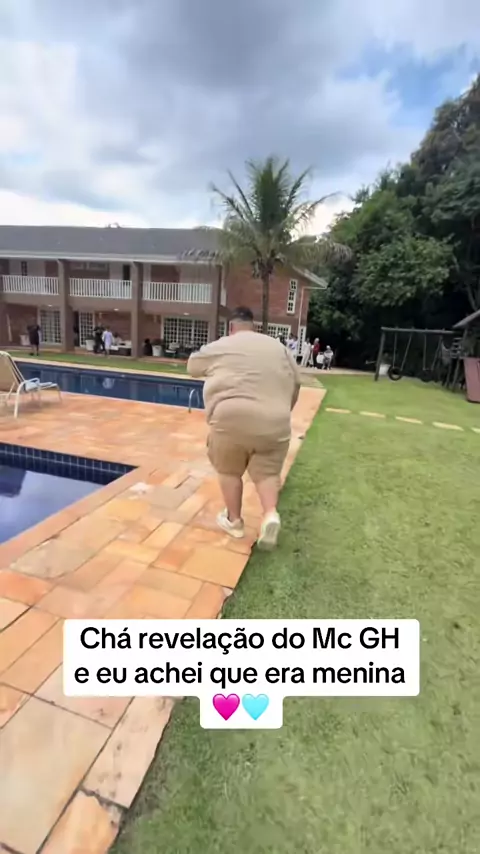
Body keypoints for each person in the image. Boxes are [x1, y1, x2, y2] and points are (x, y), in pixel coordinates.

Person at [187, 306, 301, 550]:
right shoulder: (278, 347)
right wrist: (283, 412)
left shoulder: (221, 345)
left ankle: (234, 521)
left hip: (230, 418)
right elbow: (297, 382)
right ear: (254, 326)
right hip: (275, 420)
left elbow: (192, 367)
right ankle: (270, 514)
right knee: (268, 473)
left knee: (229, 470)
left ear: (231, 327)